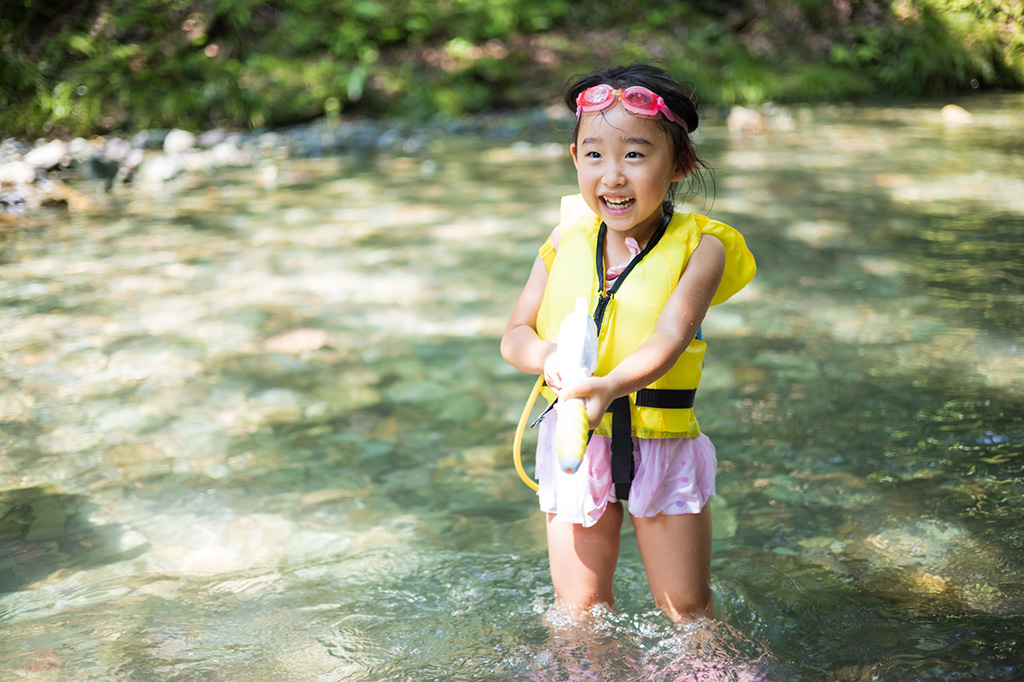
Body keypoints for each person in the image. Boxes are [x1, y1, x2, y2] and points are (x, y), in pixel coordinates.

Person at [500, 63, 756, 622]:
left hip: (660, 446)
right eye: (594, 155)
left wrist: (611, 385)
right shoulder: (565, 238)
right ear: (574, 160)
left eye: (635, 155)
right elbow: (514, 337)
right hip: (575, 441)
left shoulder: (701, 250)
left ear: (679, 164)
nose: (612, 176)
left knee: (686, 608)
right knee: (581, 608)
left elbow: (670, 335)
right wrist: (550, 358)